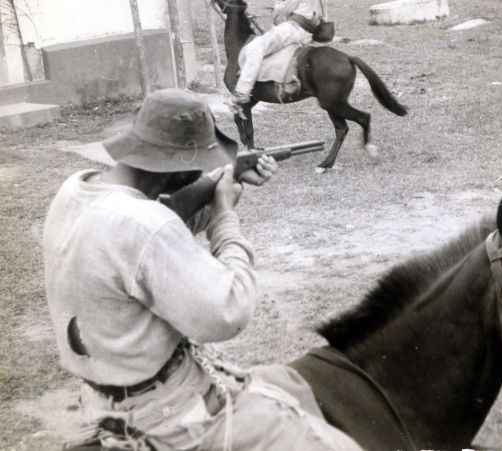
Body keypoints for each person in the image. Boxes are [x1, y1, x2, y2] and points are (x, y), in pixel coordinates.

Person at [45, 88, 363, 451]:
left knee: (290, 386)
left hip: (107, 396)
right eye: (196, 166)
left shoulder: (75, 193)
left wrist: (219, 191)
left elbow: (143, 246)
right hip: (167, 412)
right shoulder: (146, 226)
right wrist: (224, 217)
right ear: (174, 169)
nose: (201, 171)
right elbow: (229, 312)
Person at [232, 0, 324, 106]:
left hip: (293, 29)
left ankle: (242, 91)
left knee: (254, 48)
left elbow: (282, 10)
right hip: (303, 31)